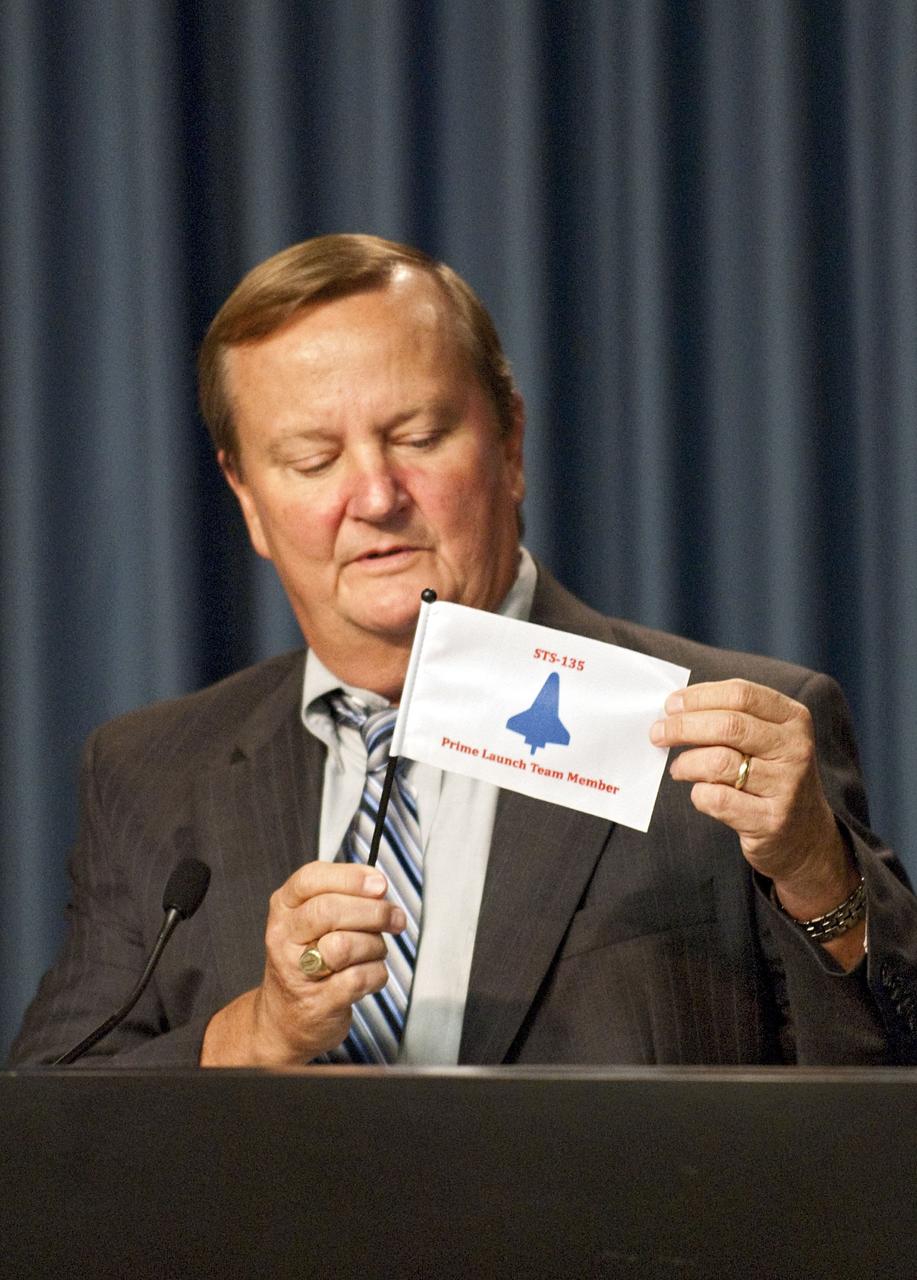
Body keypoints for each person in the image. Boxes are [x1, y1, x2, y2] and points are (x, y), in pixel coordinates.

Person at [10, 234, 917, 1068]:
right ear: (246, 497)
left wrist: (811, 875)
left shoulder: (728, 738)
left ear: (510, 441)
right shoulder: (149, 772)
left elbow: (889, 1084)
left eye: (417, 437)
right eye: (312, 459)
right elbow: (51, 1128)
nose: (373, 496)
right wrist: (256, 1034)